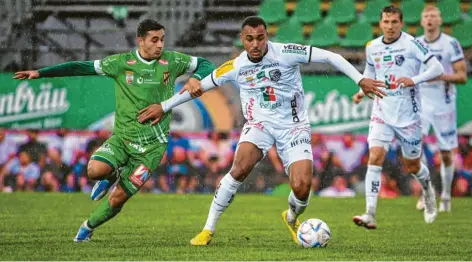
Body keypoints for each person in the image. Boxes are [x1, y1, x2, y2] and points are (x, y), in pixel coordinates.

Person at [145, 16, 386, 245]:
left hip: (294, 127)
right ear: (242, 39)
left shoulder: (287, 53)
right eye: (250, 38)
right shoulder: (235, 66)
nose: (255, 44)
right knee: (239, 169)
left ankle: (291, 217)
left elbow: (331, 57)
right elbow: (200, 87)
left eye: (260, 38)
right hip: (259, 125)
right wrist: (164, 107)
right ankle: (208, 229)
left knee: (302, 188)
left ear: (266, 36)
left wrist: (360, 79)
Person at [13, 18, 215, 242]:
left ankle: (87, 227)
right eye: (154, 40)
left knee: (118, 198)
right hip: (123, 139)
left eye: (162, 40)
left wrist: (196, 77)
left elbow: (206, 64)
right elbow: (82, 67)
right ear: (140, 40)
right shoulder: (121, 63)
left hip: (152, 149)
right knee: (94, 170)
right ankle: (111, 175)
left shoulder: (173, 60)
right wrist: (41, 73)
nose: (160, 45)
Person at [351, 6, 444, 229]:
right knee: (374, 157)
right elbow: (370, 75)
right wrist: (362, 91)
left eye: (394, 22)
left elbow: (437, 68)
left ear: (401, 23)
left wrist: (415, 79)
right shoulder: (372, 47)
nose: (390, 27)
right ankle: (370, 213)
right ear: (380, 23)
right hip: (381, 112)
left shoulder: (412, 43)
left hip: (408, 116)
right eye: (386, 22)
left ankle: (428, 191)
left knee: (412, 165)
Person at [415, 6, 467, 212]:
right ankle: (426, 192)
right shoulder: (416, 44)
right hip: (420, 103)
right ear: (421, 21)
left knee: (445, 153)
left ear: (440, 20)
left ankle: (445, 195)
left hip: (443, 104)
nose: (429, 19)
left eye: (433, 16)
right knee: (415, 147)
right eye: (426, 16)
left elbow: (462, 76)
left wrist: (440, 76)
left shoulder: (450, 44)